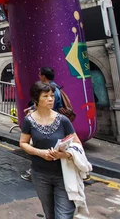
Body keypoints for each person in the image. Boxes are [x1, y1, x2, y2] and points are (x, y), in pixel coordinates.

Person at [20, 81, 81, 219]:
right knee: (50, 214)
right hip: (40, 175)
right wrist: (40, 153)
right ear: (36, 99)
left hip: (64, 175)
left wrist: (64, 154)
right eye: (45, 96)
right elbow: (23, 143)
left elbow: (77, 144)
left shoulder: (63, 120)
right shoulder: (29, 121)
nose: (50, 99)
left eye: (52, 96)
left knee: (64, 215)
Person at [22, 66, 64, 181]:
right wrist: (31, 107)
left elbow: (47, 106)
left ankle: (35, 172)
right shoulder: (56, 88)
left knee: (42, 146)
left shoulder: (50, 90)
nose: (49, 98)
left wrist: (34, 112)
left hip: (48, 122)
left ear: (44, 76)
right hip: (51, 121)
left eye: (40, 74)